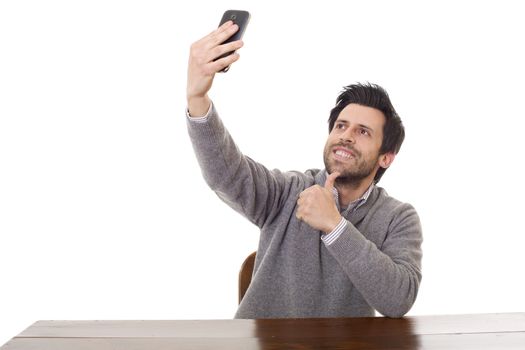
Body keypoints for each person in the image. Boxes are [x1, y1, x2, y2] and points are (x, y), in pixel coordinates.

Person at [186, 20, 422, 318]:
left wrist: (335, 226)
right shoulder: (288, 191)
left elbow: (398, 300)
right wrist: (197, 100)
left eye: (363, 132)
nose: (346, 135)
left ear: (386, 157)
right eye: (341, 126)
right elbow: (226, 174)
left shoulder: (398, 218)